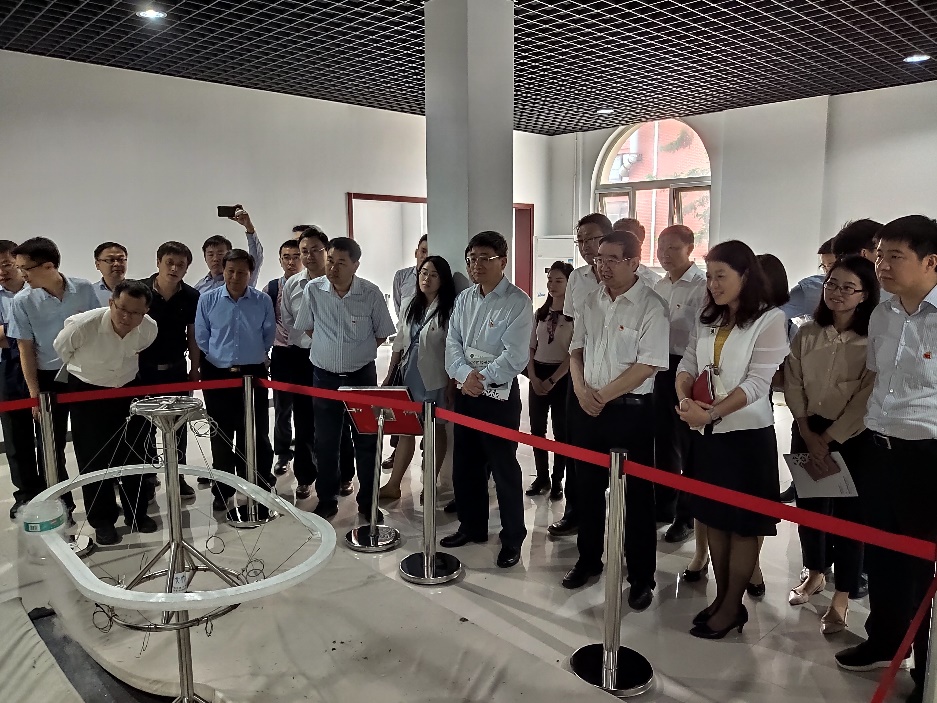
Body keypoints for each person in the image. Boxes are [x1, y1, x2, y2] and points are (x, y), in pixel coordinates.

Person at [835, 216, 937, 703]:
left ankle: (928, 670)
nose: (882, 265)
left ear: (931, 262)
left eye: (895, 256)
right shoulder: (882, 314)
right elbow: (878, 376)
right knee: (882, 554)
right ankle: (884, 641)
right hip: (879, 448)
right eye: (880, 255)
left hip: (928, 458)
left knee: (924, 570)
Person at [675, 240, 788, 639]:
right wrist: (684, 397)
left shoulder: (770, 319)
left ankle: (731, 605)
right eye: (709, 276)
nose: (713, 284)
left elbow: (758, 383)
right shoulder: (710, 316)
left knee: (742, 527)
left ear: (745, 276)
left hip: (746, 438)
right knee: (715, 522)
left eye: (721, 276)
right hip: (707, 435)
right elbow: (689, 361)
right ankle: (723, 600)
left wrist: (712, 413)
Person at [563, 230, 668, 609]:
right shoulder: (590, 300)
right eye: (599, 259)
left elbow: (647, 364)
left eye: (611, 259)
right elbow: (576, 350)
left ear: (634, 262)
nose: (602, 266)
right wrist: (580, 391)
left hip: (630, 412)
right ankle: (589, 560)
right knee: (587, 489)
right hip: (587, 408)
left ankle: (641, 577)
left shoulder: (651, 306)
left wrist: (602, 396)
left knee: (637, 499)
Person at [784, 255, 878, 635]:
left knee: (850, 517)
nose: (837, 293)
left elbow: (865, 396)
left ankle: (843, 595)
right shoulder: (808, 332)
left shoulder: (871, 340)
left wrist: (828, 438)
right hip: (808, 426)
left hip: (852, 436)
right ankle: (815, 573)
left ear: (864, 295)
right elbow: (793, 382)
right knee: (811, 509)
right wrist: (808, 432)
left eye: (847, 287)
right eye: (831, 284)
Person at [441, 231, 532, 569]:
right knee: (465, 465)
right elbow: (453, 342)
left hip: (498, 398)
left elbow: (515, 355)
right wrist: (465, 376)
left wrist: (480, 379)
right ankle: (472, 526)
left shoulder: (517, 302)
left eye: (484, 258)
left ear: (502, 262)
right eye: (471, 259)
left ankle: (513, 538)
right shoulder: (465, 298)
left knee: (503, 468)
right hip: (467, 393)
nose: (476, 265)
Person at [293, 237, 396, 520]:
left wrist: (354, 353)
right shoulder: (314, 289)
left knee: (366, 441)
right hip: (324, 377)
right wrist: (330, 349)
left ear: (355, 265)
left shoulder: (370, 293)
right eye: (330, 261)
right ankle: (327, 499)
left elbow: (382, 333)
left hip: (361, 377)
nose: (333, 268)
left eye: (341, 263)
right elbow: (308, 327)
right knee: (325, 442)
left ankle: (368, 502)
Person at [53, 281, 158, 545]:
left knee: (134, 453)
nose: (127, 317)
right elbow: (61, 349)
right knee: (94, 458)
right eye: (122, 309)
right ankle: (102, 521)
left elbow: (141, 349)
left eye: (135, 313)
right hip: (87, 392)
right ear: (111, 303)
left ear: (145, 312)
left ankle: (137, 514)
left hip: (128, 389)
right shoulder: (82, 326)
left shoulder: (149, 329)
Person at [8, 237, 102, 517]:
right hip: (48, 380)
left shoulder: (83, 288)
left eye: (25, 268)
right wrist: (34, 394)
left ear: (48, 266)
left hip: (84, 375)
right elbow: (25, 349)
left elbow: (97, 329)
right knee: (51, 447)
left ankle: (100, 512)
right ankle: (62, 508)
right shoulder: (22, 301)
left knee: (91, 443)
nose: (21, 275)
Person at [194, 249, 276, 518]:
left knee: (255, 432)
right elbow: (202, 336)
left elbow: (268, 335)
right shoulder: (207, 299)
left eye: (242, 272)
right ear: (224, 271)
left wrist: (250, 356)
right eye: (230, 271)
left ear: (250, 273)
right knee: (220, 434)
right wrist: (221, 358)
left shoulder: (262, 300)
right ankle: (223, 489)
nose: (235, 277)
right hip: (217, 373)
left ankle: (257, 484)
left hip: (253, 373)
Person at [280, 227, 357, 499]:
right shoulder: (292, 285)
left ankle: (345, 475)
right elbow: (289, 321)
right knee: (304, 420)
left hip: (336, 360)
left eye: (315, 250)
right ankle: (305, 476)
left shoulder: (341, 283)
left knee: (340, 421)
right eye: (304, 251)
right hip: (303, 359)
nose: (309, 256)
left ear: (326, 251)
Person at [548, 212, 611, 538]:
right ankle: (575, 512)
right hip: (582, 374)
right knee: (577, 448)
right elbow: (573, 329)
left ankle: (620, 519)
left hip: (621, 382)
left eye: (592, 239)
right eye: (581, 240)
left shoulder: (641, 279)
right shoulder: (578, 278)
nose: (586, 246)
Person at [380, 255, 456, 500]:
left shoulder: (450, 309)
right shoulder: (410, 304)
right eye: (424, 273)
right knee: (406, 429)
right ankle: (394, 484)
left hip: (435, 378)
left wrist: (451, 383)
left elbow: (453, 348)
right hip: (409, 375)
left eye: (433, 275)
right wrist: (390, 374)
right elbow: (399, 342)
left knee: (436, 430)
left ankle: (430, 483)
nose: (427, 279)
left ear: (443, 280)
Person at [653, 224, 707, 544]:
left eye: (673, 248)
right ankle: (665, 505)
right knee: (663, 441)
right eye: (662, 247)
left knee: (688, 445)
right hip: (659, 367)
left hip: (690, 370)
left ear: (690, 248)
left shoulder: (702, 287)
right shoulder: (658, 285)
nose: (665, 254)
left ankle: (686, 516)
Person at [137, 241, 201, 494]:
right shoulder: (139, 290)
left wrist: (194, 369)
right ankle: (148, 477)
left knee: (178, 426)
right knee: (143, 426)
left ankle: (178, 475)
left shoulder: (191, 296)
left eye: (180, 265)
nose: (174, 269)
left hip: (176, 369)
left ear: (186, 268)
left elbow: (193, 335)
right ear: (158, 263)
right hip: (143, 369)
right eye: (169, 263)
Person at [525, 261, 573, 500]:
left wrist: (553, 380)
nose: (552, 285)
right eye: (550, 280)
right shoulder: (540, 313)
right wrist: (533, 377)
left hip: (562, 376)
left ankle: (557, 480)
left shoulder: (575, 316)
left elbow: (573, 354)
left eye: (559, 281)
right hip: (538, 372)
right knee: (537, 429)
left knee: (561, 432)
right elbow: (530, 347)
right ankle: (541, 477)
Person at [0, 240, 40, 519]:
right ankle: (26, 494)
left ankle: (54, 488)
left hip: (42, 365)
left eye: (6, 264)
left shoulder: (36, 289)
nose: (2, 271)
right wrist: (26, 330)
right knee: (16, 437)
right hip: (8, 370)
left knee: (49, 434)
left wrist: (9, 332)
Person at [265, 239, 302, 475]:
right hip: (281, 353)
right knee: (282, 408)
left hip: (307, 354)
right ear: (280, 260)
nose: (291, 261)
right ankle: (282, 453)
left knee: (307, 408)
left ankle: (308, 454)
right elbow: (264, 323)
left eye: (296, 256)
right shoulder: (272, 288)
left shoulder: (312, 286)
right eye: (286, 257)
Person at [194, 204, 265, 293]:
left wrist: (249, 227)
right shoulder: (199, 286)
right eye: (210, 254)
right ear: (205, 258)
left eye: (220, 254)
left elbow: (256, 258)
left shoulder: (239, 280)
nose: (215, 259)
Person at [781, 239, 835, 325]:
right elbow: (776, 315)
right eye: (823, 266)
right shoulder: (808, 290)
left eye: (831, 265)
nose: (827, 271)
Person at [613, 217, 662, 288]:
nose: (620, 247)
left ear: (640, 243)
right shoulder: (603, 275)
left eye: (627, 241)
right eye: (616, 241)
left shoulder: (654, 283)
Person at [392, 234, 429, 317]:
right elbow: (398, 307)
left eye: (429, 253)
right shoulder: (401, 276)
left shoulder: (435, 279)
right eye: (423, 251)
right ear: (416, 253)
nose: (426, 256)